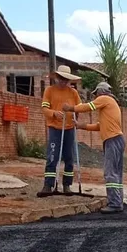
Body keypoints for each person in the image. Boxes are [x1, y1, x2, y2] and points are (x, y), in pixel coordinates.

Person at [64, 82, 124, 214]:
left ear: (100, 92)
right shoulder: (110, 105)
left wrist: (71, 108)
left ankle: (114, 203)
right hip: (116, 139)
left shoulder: (105, 99)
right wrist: (80, 125)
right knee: (116, 173)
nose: (95, 97)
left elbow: (87, 107)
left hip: (113, 140)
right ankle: (117, 201)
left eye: (96, 94)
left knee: (110, 173)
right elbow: (99, 126)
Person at [38, 65, 82, 196]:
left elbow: (79, 108)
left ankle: (67, 185)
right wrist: (54, 113)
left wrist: (75, 115)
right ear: (57, 78)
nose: (63, 81)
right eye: (61, 78)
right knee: (52, 156)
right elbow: (44, 109)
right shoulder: (49, 91)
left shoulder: (73, 92)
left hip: (69, 128)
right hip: (55, 128)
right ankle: (48, 185)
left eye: (66, 79)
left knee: (69, 157)